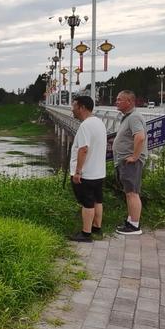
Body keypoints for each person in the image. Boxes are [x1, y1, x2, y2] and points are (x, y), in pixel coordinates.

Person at [68, 96, 107, 242]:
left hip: (87, 174)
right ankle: (97, 228)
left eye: (74, 106)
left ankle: (86, 233)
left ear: (82, 107)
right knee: (98, 201)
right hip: (99, 172)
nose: (72, 109)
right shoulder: (99, 123)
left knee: (87, 203)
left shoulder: (85, 126)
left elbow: (83, 149)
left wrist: (78, 171)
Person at [113, 90, 147, 235]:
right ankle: (131, 220)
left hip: (131, 162)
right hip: (125, 160)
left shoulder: (134, 117)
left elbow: (140, 137)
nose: (117, 101)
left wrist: (134, 156)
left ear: (129, 102)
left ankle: (134, 226)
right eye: (117, 99)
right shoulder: (128, 117)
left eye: (120, 99)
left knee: (132, 192)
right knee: (129, 192)